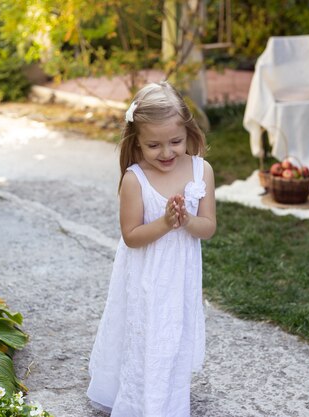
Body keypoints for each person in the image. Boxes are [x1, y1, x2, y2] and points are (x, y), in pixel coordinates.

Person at [86, 81, 216, 417]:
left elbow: (208, 228)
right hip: (146, 274)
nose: (167, 152)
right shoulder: (135, 179)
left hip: (181, 275)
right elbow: (131, 236)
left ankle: (168, 396)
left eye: (175, 141)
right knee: (148, 336)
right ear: (137, 142)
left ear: (188, 133)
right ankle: (148, 403)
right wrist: (164, 222)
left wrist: (186, 220)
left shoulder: (202, 171)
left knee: (174, 333)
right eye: (153, 145)